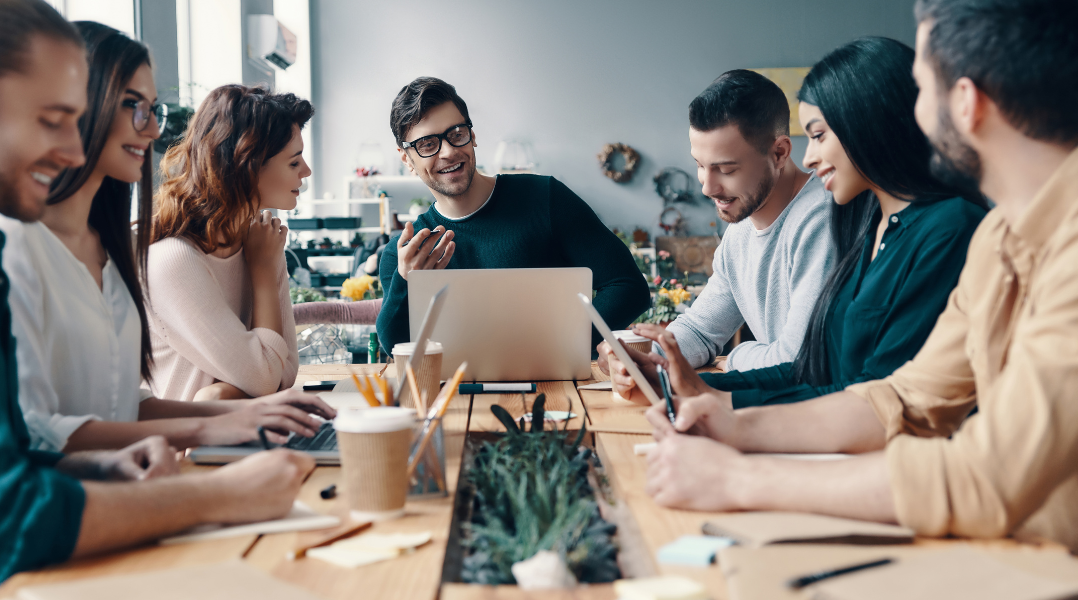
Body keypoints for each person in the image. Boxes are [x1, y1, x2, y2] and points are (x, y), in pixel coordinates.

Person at [0, 3, 313, 598]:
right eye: (53, 120)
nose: (75, 151)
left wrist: (90, 465)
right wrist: (218, 494)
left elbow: (8, 451)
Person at [635, 0, 1078, 552]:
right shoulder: (998, 238)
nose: (912, 112)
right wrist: (730, 423)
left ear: (966, 104)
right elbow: (901, 397)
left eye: (923, 89)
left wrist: (737, 477)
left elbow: (988, 476)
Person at [0, 22, 333, 452]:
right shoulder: (20, 246)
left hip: (143, 477)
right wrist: (223, 416)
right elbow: (38, 433)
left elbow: (125, 405)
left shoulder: (110, 247)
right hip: (100, 494)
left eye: (153, 109)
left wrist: (243, 413)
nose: (155, 129)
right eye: (135, 106)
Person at [607, 38, 987, 408]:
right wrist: (664, 372)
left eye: (819, 135)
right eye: (699, 166)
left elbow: (843, 385)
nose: (707, 187)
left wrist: (731, 373)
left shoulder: (868, 220)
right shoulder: (874, 228)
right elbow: (823, 375)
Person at [375, 76, 650, 355]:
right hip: (458, 395)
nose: (448, 151)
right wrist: (405, 279)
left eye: (457, 133)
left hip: (556, 391)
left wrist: (561, 346)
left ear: (473, 135)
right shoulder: (407, 253)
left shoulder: (545, 198)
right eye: (427, 144)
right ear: (407, 159)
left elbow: (627, 287)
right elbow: (394, 346)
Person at [599, 70, 836, 381]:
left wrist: (736, 357)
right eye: (699, 165)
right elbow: (700, 329)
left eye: (725, 169)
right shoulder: (740, 228)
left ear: (779, 153)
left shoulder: (821, 220)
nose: (707, 188)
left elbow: (800, 362)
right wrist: (646, 359)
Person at [147, 85, 312, 402]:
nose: (306, 171)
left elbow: (286, 371)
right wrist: (263, 270)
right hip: (187, 447)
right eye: (293, 162)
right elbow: (266, 378)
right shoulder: (174, 259)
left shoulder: (258, 241)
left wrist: (224, 392)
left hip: (246, 433)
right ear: (248, 167)